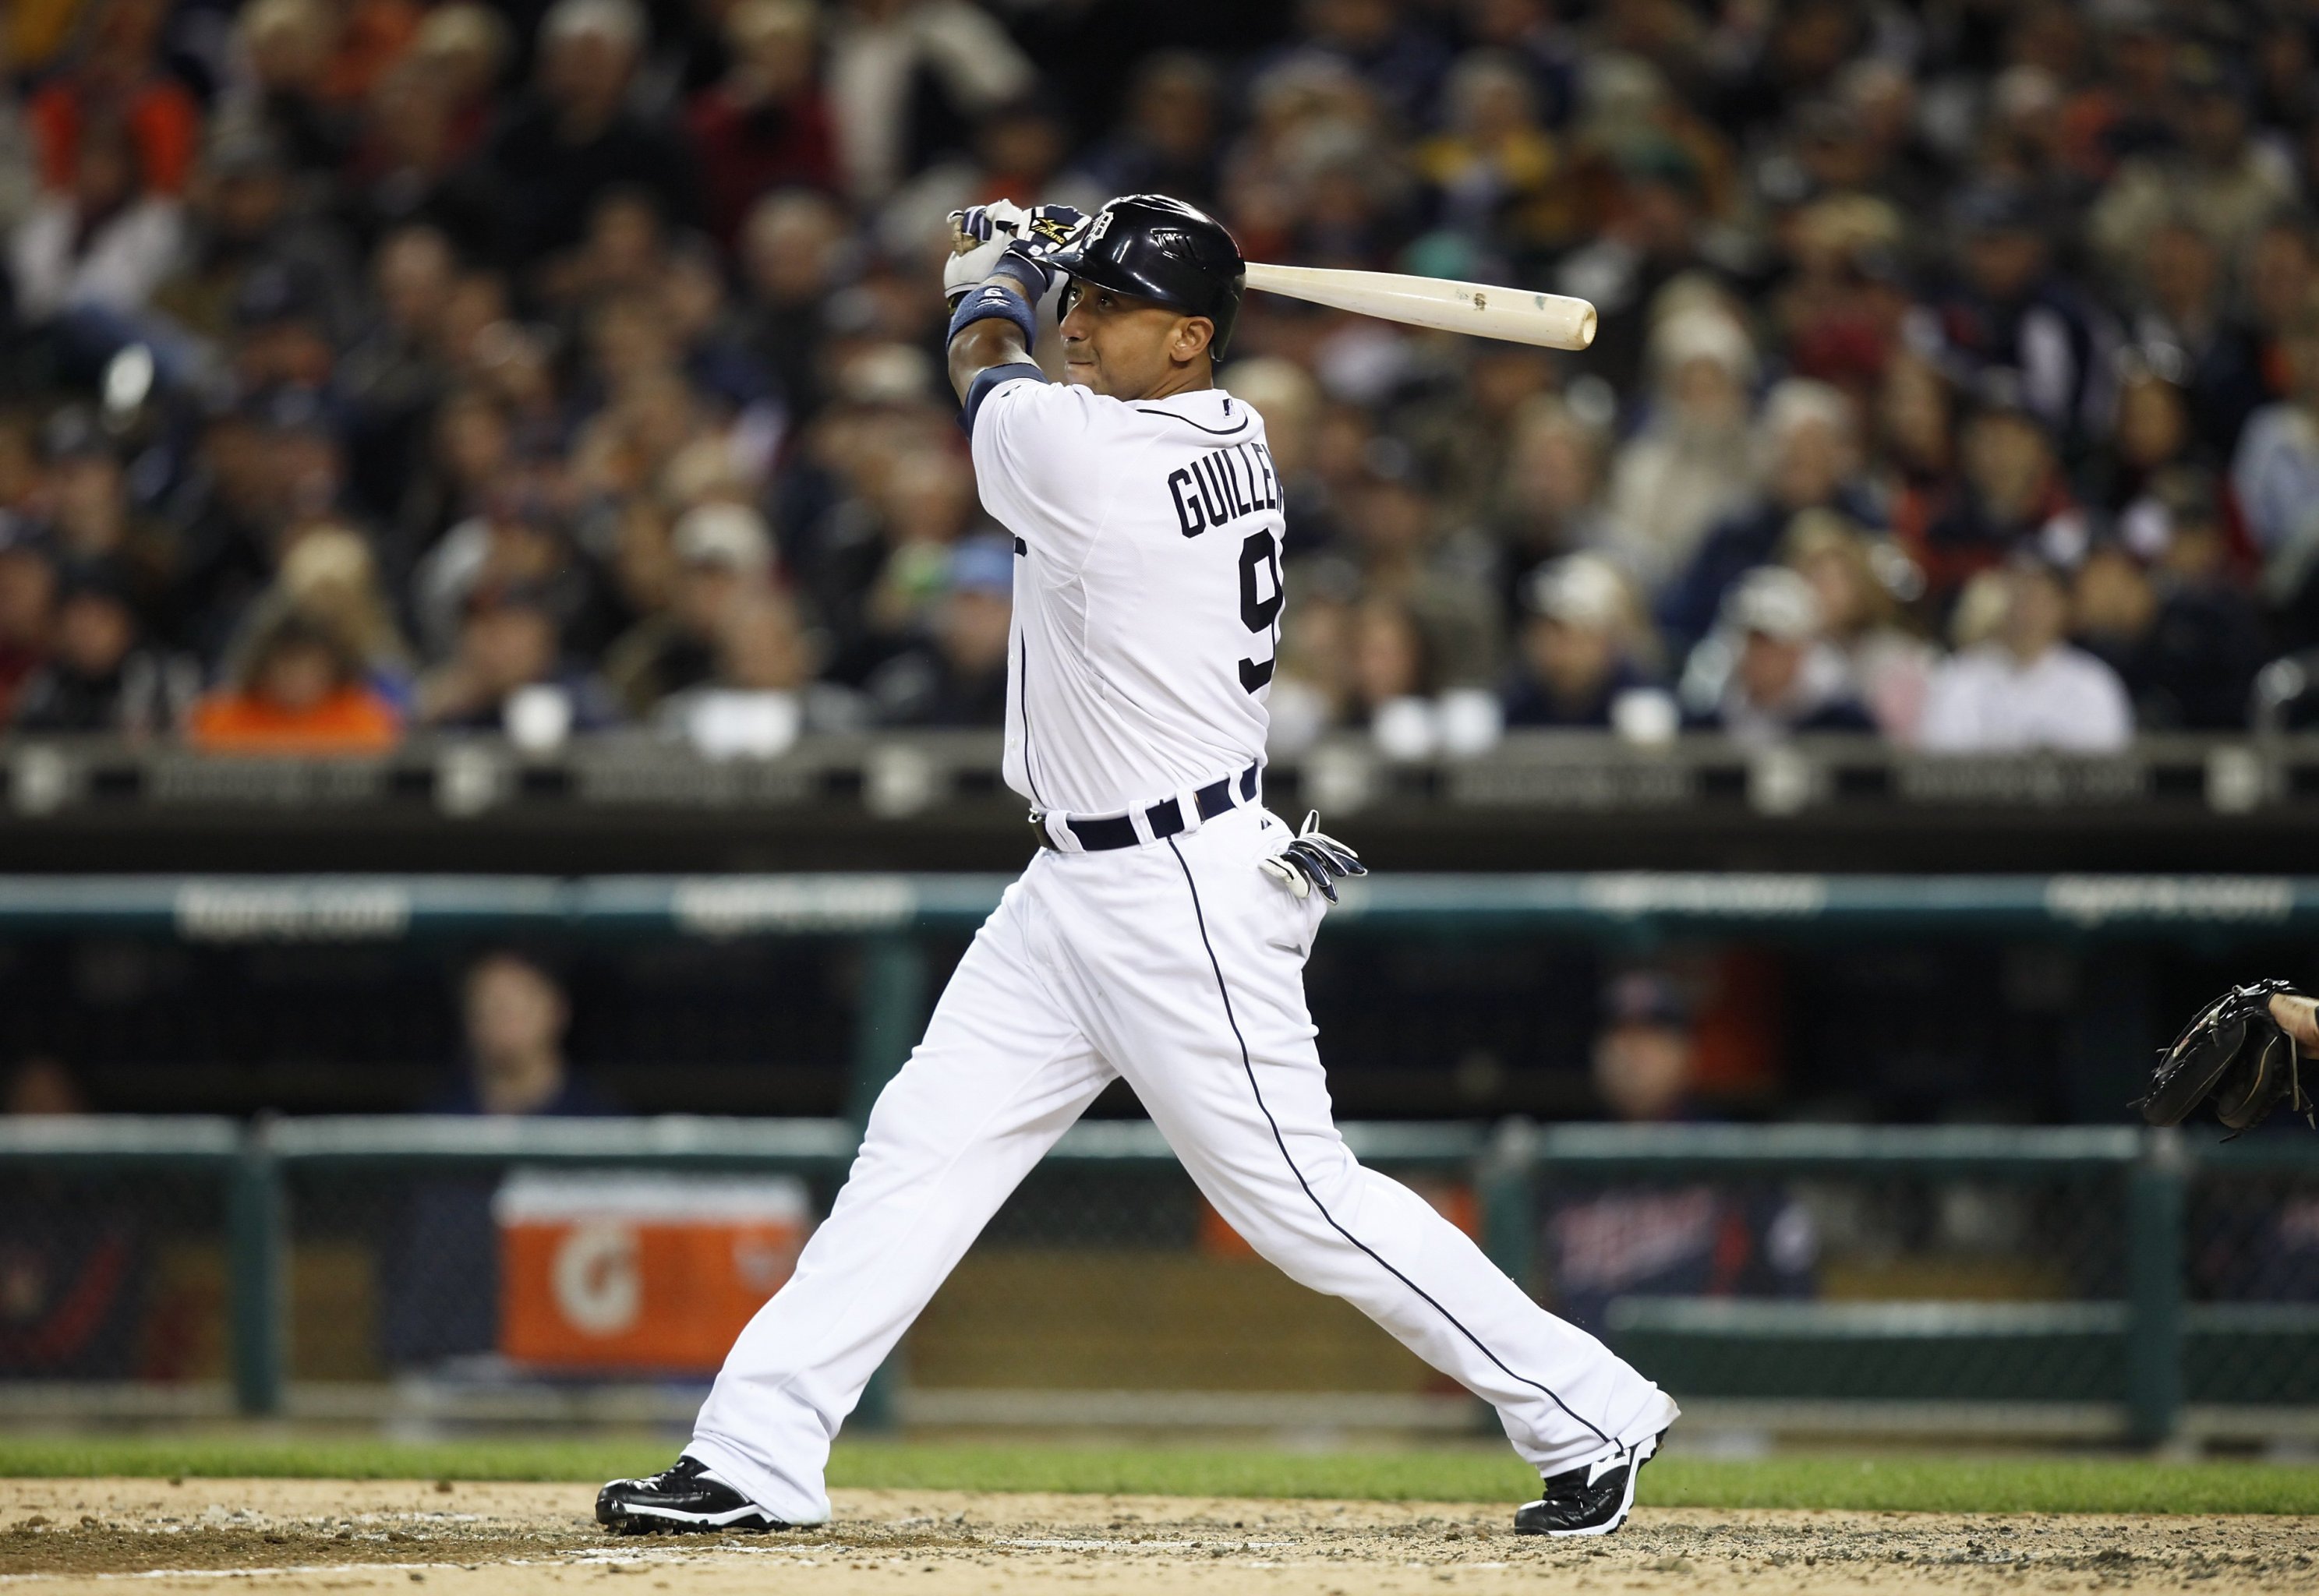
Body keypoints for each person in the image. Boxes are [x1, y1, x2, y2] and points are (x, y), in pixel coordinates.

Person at [598, 195, 1676, 1541]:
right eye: (1081, 299)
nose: (1081, 324)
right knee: (917, 1151)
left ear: (1188, 339)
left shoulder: (1094, 457)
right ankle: (755, 1450)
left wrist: (990, 271)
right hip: (1074, 885)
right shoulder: (1232, 424)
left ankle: (1588, 1408)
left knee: (1302, 1203)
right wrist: (1081, 241)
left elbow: (983, 366)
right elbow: (1061, 364)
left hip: (1179, 894)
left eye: (1112, 308)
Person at [1542, 974, 1816, 1337]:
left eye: (1652, 1036)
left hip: (1708, 1377)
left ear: (1686, 1053)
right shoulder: (1564, 1162)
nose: (1632, 1054)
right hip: (1585, 1381)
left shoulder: (1734, 1158)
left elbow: (1795, 1295)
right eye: (1618, 1035)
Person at [384, 951, 613, 1366]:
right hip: (452, 1361)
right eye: (489, 1007)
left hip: (576, 1366)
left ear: (556, 1011)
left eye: (518, 1005)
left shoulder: (600, 1125)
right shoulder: (436, 1126)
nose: (504, 1018)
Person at [1918, 556, 2133, 754]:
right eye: (2018, 593)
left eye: (2039, 596)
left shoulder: (2093, 684)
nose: (2026, 609)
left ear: (2063, 607)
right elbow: (1939, 769)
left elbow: (2110, 776)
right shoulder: (1960, 678)